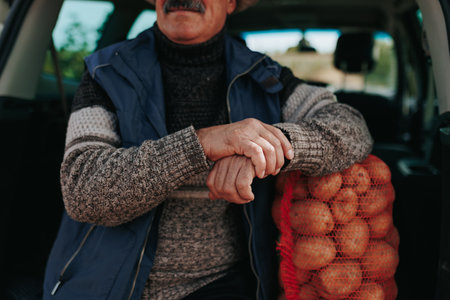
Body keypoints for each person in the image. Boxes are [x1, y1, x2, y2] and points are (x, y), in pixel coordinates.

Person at [43, 0, 373, 299]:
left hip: (221, 284)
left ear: (231, 2)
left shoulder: (265, 76)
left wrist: (267, 144)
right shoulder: (106, 73)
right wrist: (203, 143)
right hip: (108, 283)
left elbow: (351, 127)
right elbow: (84, 191)